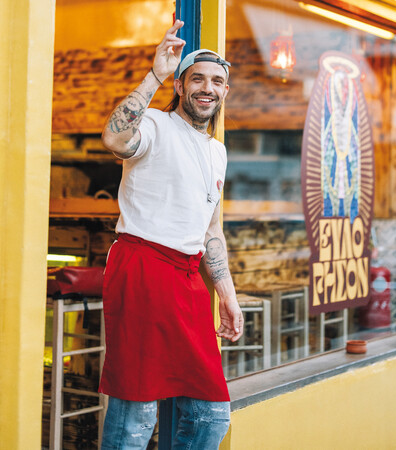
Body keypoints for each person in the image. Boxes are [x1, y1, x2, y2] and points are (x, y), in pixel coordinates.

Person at [99, 19, 244, 450]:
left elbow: (211, 229)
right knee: (136, 414)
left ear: (224, 92)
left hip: (188, 279)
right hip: (141, 266)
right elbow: (114, 137)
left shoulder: (217, 151)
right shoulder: (157, 127)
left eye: (217, 81)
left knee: (210, 415)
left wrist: (227, 294)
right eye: (196, 78)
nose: (207, 87)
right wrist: (156, 74)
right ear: (181, 87)